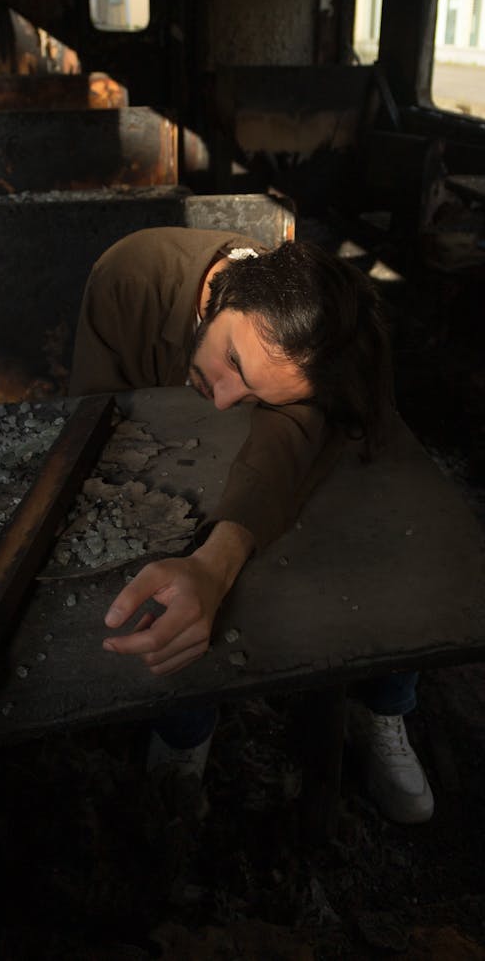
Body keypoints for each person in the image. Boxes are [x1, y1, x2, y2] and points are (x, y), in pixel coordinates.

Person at [69, 226, 433, 824]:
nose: (222, 398)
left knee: (385, 531)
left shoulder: (304, 347)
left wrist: (219, 559)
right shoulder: (128, 277)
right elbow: (91, 417)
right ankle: (184, 738)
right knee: (165, 583)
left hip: (270, 475)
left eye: (254, 391)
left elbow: (287, 442)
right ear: (225, 294)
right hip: (157, 468)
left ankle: (386, 705)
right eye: (231, 360)